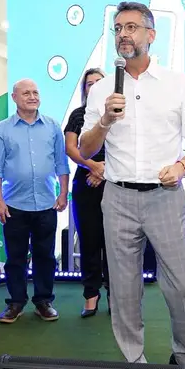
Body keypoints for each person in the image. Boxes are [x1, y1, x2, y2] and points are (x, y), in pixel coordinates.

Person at [79, 1, 185, 369]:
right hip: (118, 198)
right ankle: (135, 367)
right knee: (124, 289)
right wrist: (105, 120)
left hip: (165, 196)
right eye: (117, 29)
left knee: (180, 284)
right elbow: (87, 148)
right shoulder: (102, 89)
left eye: (131, 27)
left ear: (151, 34)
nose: (123, 34)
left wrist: (182, 166)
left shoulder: (178, 83)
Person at [0, 78, 70, 323]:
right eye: (26, 93)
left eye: (35, 92)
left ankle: (43, 301)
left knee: (45, 256)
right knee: (15, 258)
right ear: (14, 97)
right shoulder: (2, 129)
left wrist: (63, 192)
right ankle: (16, 303)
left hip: (47, 203)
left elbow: (61, 163)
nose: (32, 97)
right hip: (14, 204)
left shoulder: (52, 126)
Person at [64, 68, 111, 317]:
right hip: (86, 182)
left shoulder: (119, 114)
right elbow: (71, 149)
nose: (93, 86)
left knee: (115, 244)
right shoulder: (78, 115)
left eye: (98, 82)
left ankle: (115, 296)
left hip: (115, 181)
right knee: (89, 242)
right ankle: (91, 295)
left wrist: (104, 170)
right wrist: (93, 166)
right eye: (89, 83)